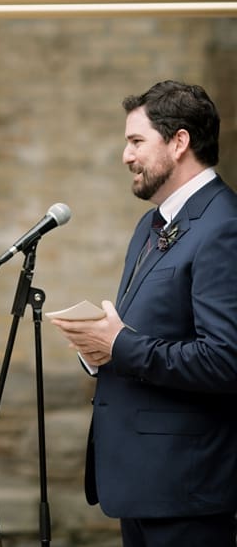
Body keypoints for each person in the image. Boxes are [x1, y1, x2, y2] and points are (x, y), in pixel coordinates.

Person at [51, 80, 237, 547]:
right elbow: (141, 333)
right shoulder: (152, 224)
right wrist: (97, 347)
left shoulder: (224, 227)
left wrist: (119, 345)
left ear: (179, 142)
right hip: (143, 483)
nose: (126, 156)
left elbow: (226, 359)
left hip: (188, 489)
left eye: (136, 141)